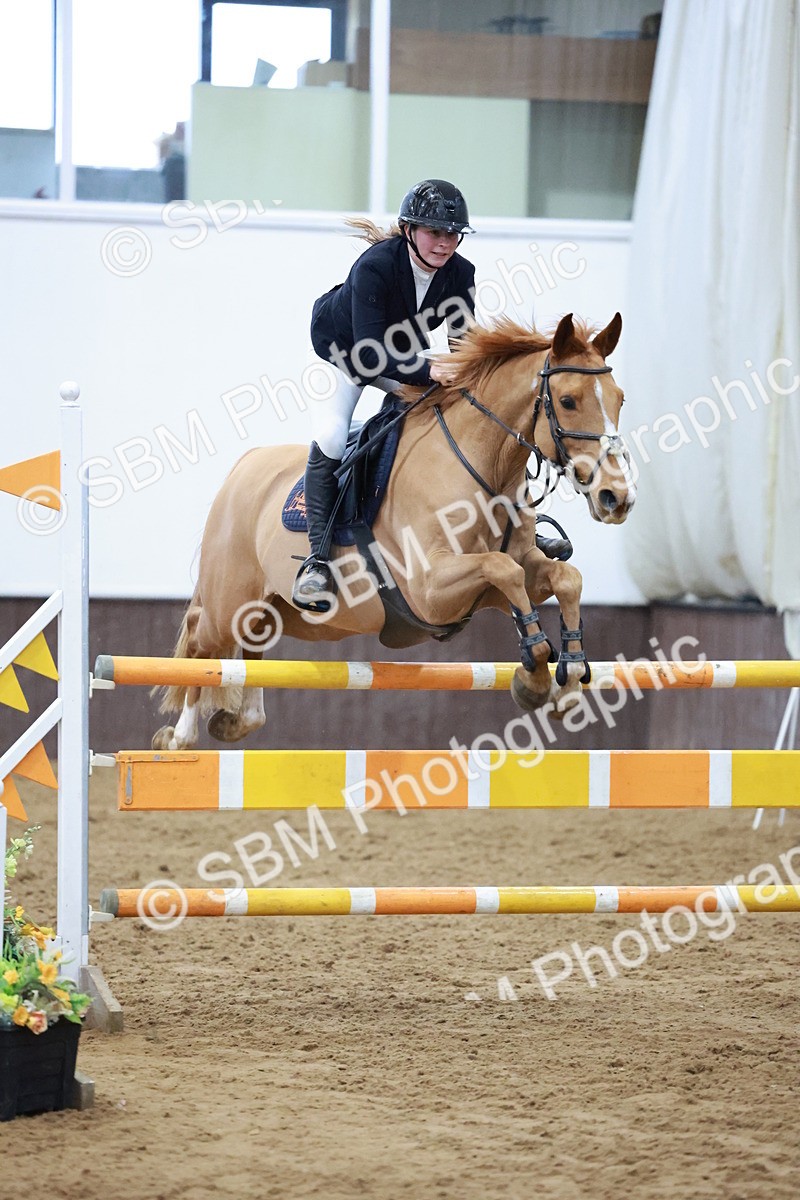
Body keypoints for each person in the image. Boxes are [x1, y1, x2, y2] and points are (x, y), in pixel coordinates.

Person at [292, 178, 476, 611]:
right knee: (334, 436)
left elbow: (462, 344)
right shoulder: (374, 266)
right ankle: (317, 562)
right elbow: (370, 355)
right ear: (409, 230)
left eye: (453, 234)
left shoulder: (461, 274)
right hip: (342, 354)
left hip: (399, 355)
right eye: (435, 232)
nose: (445, 243)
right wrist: (431, 369)